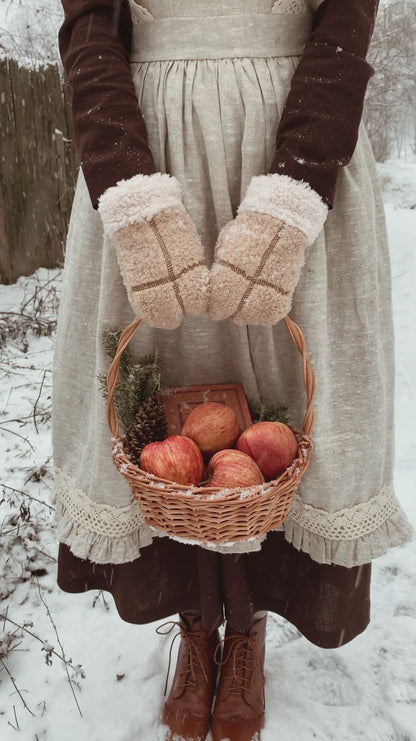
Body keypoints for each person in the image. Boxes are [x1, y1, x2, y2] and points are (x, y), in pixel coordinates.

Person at [53, 1, 413, 739]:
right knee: (159, 403)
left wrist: (295, 193)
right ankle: (194, 623)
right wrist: (127, 186)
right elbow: (87, 19)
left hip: (290, 134)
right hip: (151, 144)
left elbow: (348, 17)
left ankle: (244, 629)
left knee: (285, 404)